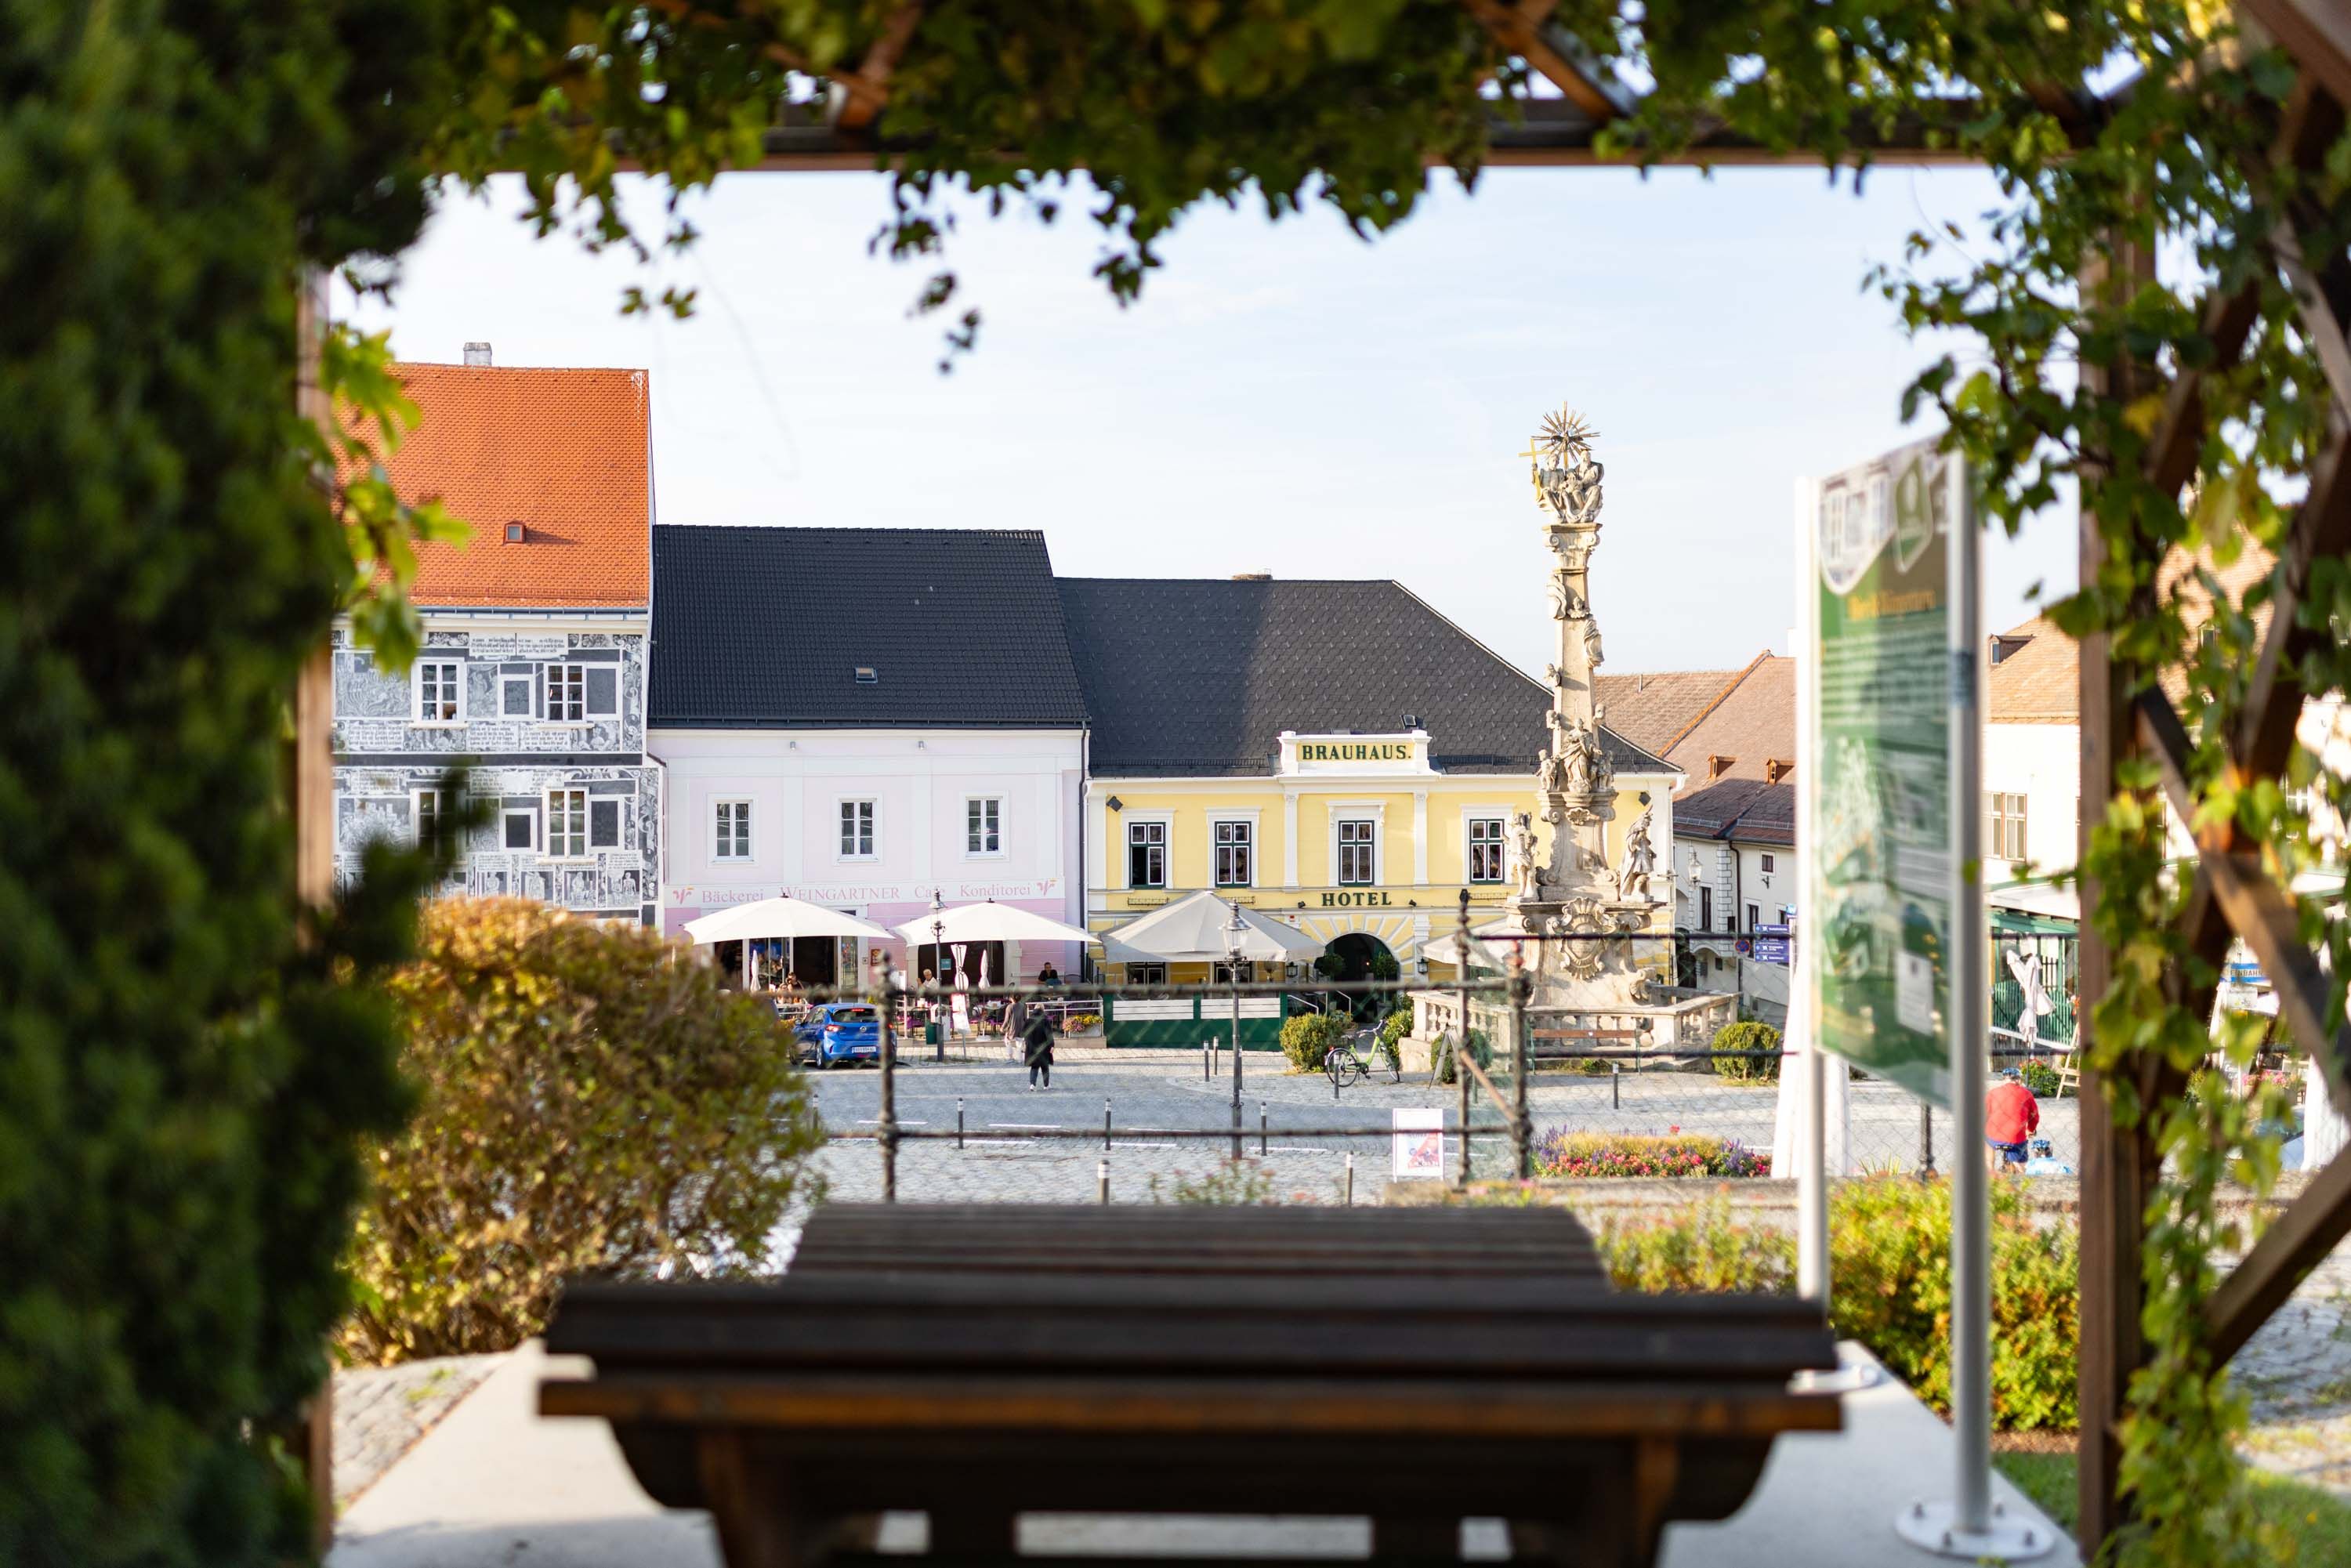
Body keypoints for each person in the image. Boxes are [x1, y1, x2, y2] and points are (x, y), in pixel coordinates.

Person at [1985, 1074, 2039, 1171]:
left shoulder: (1992, 1093)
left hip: (1994, 1135)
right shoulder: (2026, 1093)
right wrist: (2030, 1130)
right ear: (2019, 1080)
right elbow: (2034, 1116)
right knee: (2022, 1153)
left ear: (2004, 1080)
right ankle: (2021, 1171)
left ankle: (1990, 1171)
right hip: (2016, 1137)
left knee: (1988, 1144)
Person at [1023, 1004, 1056, 1091]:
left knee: (1034, 1066)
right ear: (1043, 1010)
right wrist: (1052, 1045)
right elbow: (1049, 1034)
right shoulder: (1045, 1020)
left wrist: (1026, 1043)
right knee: (1045, 1067)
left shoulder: (1029, 1020)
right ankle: (1046, 1085)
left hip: (1032, 1047)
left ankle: (1032, 1085)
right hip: (1043, 1047)